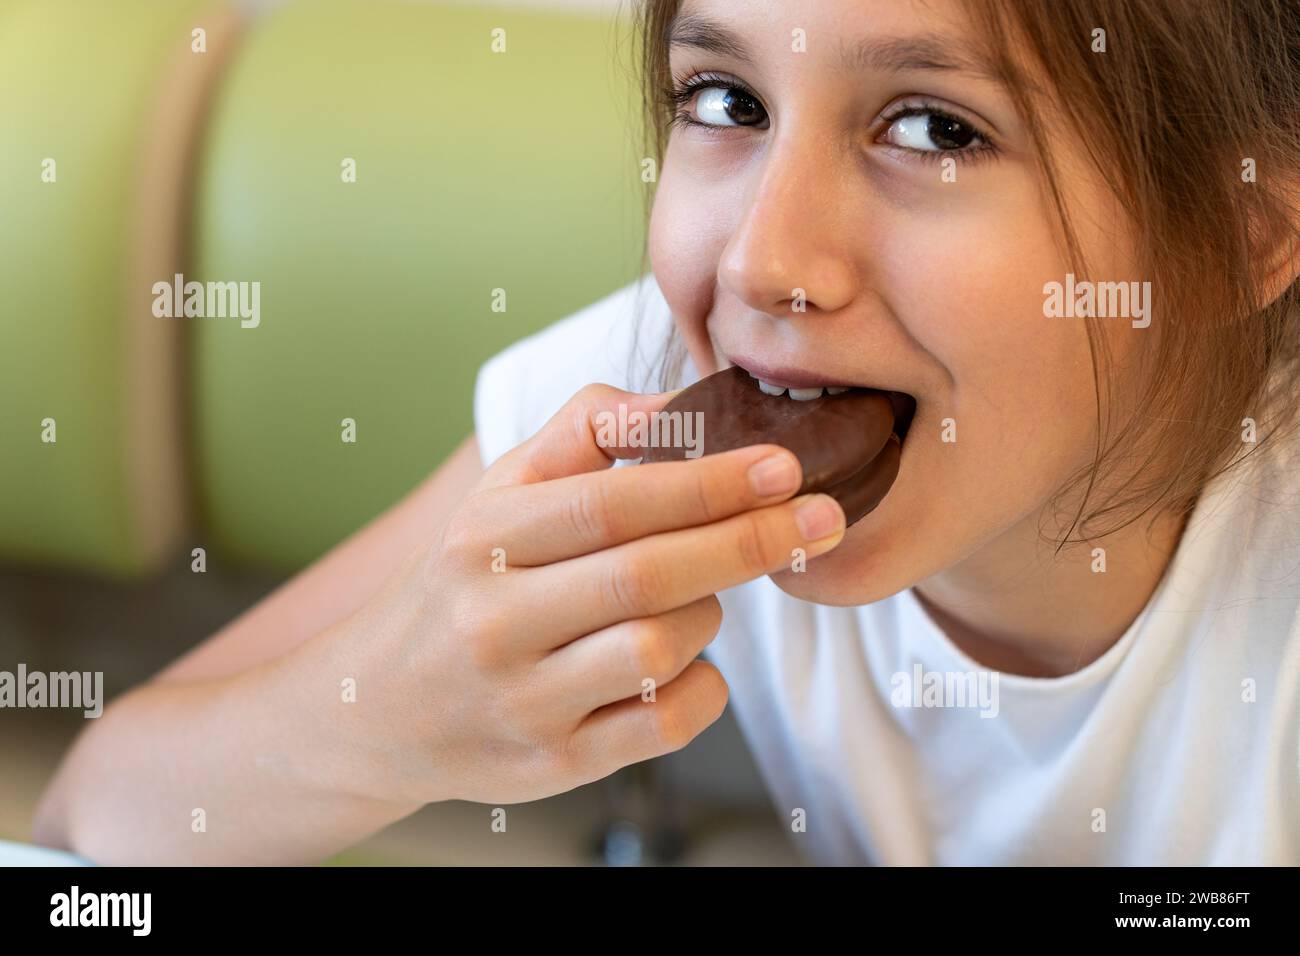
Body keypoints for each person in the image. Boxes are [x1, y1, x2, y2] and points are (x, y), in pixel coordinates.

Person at [34, 0, 1300, 864]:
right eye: (725, 100)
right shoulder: (651, 396)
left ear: (1244, 235)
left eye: (934, 128)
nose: (763, 260)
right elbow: (93, 816)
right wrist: (382, 717)